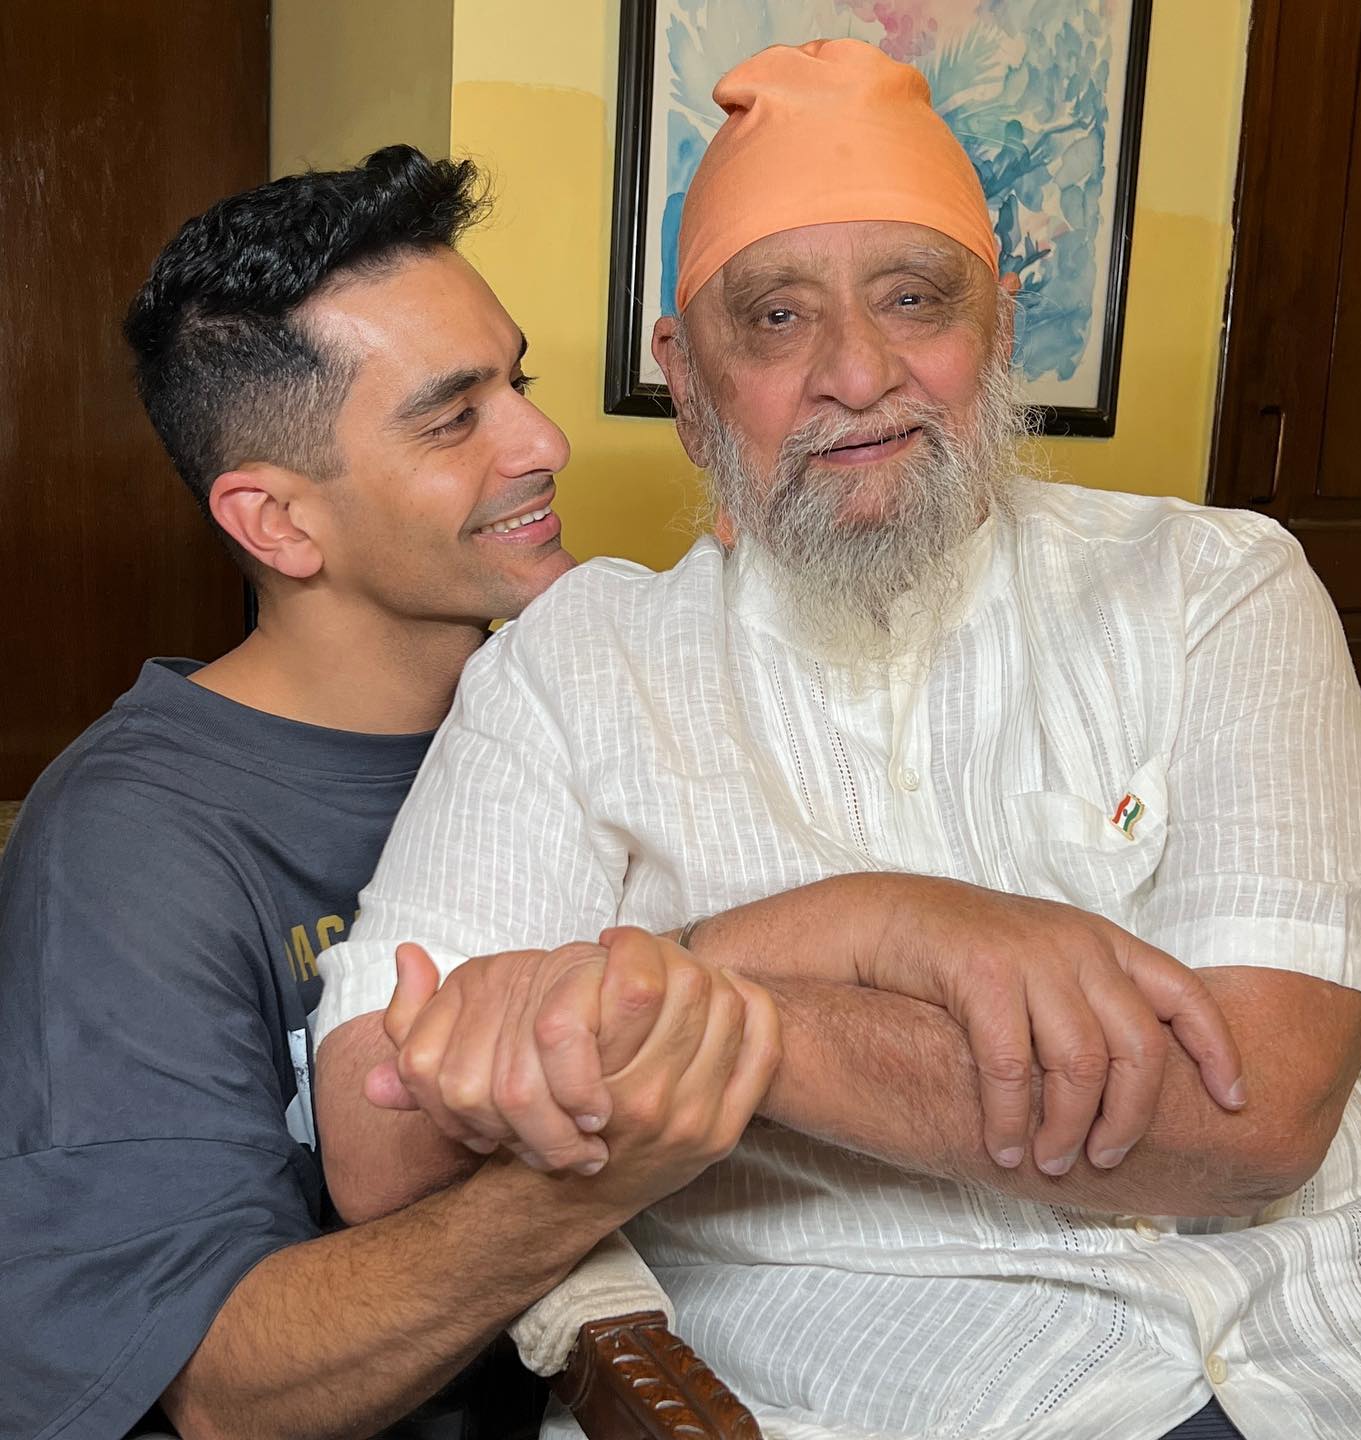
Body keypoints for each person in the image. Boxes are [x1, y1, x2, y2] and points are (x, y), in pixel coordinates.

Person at [313, 41, 1361, 1440]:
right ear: (687, 374)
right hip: (890, 1393)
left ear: (1003, 325)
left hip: (1357, 1341)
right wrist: (880, 927)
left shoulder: (1216, 587)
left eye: (915, 300)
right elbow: (379, 1126)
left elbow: (1252, 1125)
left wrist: (706, 1000)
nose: (857, 372)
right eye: (775, 319)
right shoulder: (575, 667)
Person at [0, 145, 781, 1440]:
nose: (545, 441)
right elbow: (219, 1386)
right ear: (279, 524)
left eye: (517, 382)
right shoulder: (134, 848)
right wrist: (577, 1190)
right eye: (452, 415)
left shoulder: (592, 716)